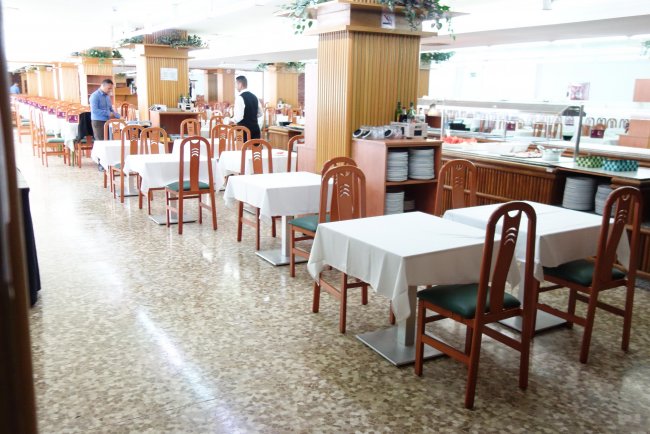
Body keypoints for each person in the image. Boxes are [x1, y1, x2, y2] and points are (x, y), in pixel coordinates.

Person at [233, 75, 261, 140]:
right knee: (255, 147)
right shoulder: (255, 96)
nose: (235, 86)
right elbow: (260, 113)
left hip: (244, 131)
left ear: (240, 84)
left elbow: (238, 117)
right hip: (255, 129)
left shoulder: (240, 97)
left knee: (243, 147)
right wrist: (251, 116)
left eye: (236, 84)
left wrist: (231, 120)